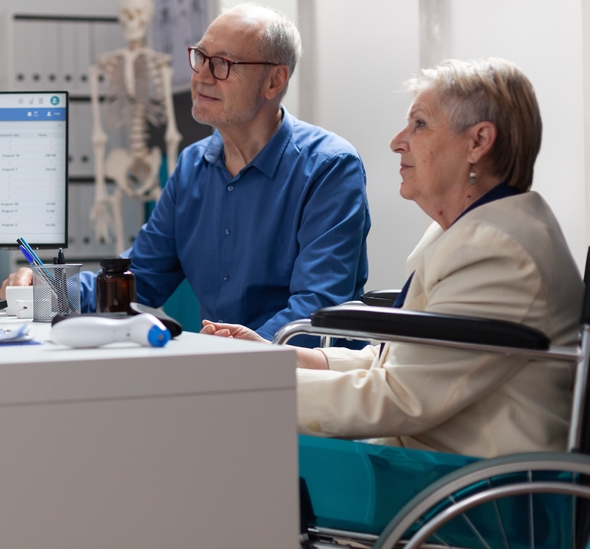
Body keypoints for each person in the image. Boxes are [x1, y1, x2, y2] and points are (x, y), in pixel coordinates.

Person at [203, 58, 582, 458]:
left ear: (478, 142)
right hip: (438, 472)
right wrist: (274, 358)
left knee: (238, 459)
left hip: (476, 498)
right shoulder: (471, 232)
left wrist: (247, 388)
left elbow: (399, 397)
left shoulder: (497, 251)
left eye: (419, 124)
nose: (398, 140)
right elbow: (403, 363)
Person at [2, 4, 370, 340]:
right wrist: (46, 289)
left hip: (302, 381)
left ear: (275, 81)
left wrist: (235, 352)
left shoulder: (329, 168)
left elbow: (316, 311)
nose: (202, 77)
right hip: (219, 369)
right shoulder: (193, 167)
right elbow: (139, 279)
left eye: (223, 63)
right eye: (200, 57)